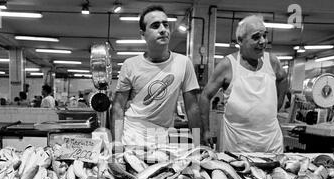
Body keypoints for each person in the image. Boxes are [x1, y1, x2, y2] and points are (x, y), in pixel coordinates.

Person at [110, 5, 211, 150]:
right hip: (132, 133)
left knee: (161, 171)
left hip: (161, 136)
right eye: (155, 26)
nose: (163, 29)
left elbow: (192, 107)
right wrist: (117, 142)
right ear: (142, 34)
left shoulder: (184, 63)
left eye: (165, 24)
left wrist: (198, 142)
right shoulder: (130, 65)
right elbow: (118, 107)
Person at [199, 15, 288, 153]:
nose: (263, 41)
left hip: (271, 143)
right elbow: (205, 96)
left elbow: (282, 78)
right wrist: (206, 131)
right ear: (240, 40)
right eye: (256, 37)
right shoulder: (228, 65)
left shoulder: (272, 61)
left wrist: (278, 103)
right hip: (238, 145)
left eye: (264, 35)